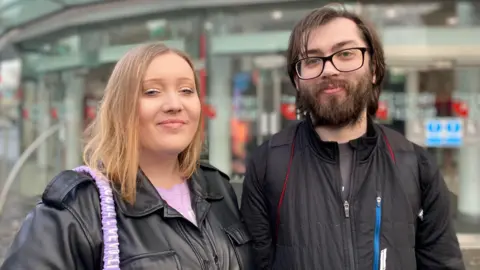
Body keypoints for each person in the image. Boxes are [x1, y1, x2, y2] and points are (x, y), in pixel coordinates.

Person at [240, 5, 465, 270]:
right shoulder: (268, 164)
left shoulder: (416, 165)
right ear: (297, 80)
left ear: (373, 69)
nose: (329, 70)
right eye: (312, 60)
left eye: (345, 53)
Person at [1, 43, 253, 270]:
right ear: (121, 107)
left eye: (187, 90)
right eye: (152, 92)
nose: (175, 104)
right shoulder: (77, 208)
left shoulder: (218, 188)